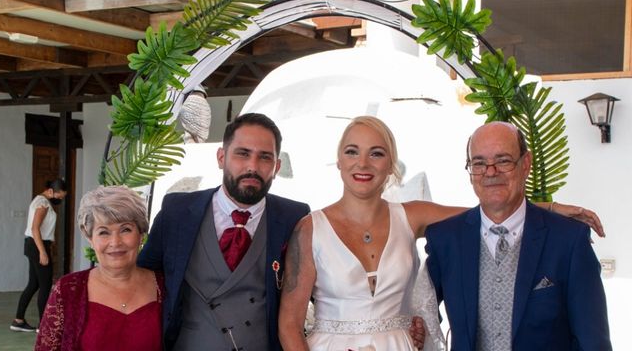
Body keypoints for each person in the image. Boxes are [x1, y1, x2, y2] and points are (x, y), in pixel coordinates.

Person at [278, 116, 605, 351]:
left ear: (391, 163)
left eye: (376, 153)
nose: (362, 163)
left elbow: (488, 210)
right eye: (352, 151)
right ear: (338, 160)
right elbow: (289, 323)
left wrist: (550, 210)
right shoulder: (309, 229)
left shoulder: (413, 215)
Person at [425, 121, 612, 350]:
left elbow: (593, 342)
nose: (490, 172)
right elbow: (418, 312)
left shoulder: (569, 240)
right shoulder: (446, 240)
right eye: (479, 163)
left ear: (526, 164)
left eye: (503, 161)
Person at [137, 113, 311, 351]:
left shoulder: (294, 217)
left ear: (277, 166)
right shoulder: (177, 212)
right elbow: (142, 278)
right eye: (242, 153)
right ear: (221, 157)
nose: (253, 166)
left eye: (265, 157)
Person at [35, 185, 163, 351]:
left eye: (126, 229)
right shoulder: (68, 289)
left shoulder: (164, 286)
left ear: (141, 234)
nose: (115, 242)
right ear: (90, 237)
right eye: (104, 232)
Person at [10, 178, 67, 333]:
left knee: (33, 284)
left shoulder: (39, 200)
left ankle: (18, 320)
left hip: (33, 244)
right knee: (45, 285)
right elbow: (35, 228)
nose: (60, 200)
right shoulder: (43, 203)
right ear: (51, 191)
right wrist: (43, 251)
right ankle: (43, 325)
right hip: (37, 246)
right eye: (59, 196)